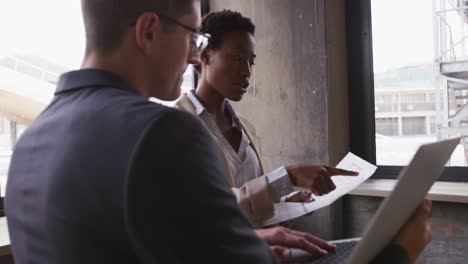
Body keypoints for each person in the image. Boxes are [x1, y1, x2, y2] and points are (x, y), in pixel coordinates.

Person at [175, 9, 433, 263]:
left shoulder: (245, 128)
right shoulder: (176, 125)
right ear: (206, 55)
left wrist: (286, 205)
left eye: (251, 61)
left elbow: (248, 208)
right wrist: (285, 178)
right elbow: (205, 212)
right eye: (236, 58)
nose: (247, 72)